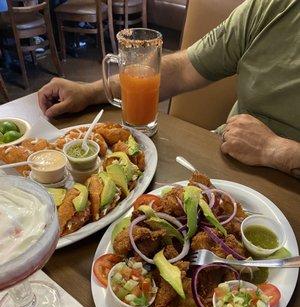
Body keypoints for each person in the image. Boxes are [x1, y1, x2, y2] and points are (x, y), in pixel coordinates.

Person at [38, 0, 300, 178]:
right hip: (227, 159)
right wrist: (91, 92)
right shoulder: (272, 6)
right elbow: (186, 68)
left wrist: (276, 151)